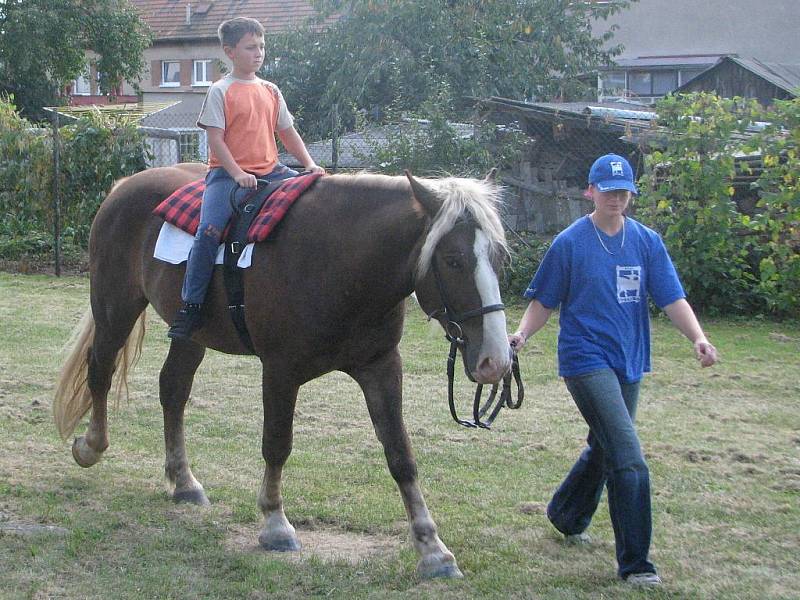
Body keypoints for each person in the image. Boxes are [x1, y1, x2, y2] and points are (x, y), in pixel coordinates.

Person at [508, 154, 718, 587]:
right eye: (608, 190)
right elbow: (545, 300)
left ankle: (566, 514)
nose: (616, 198)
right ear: (591, 191)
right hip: (585, 360)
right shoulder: (569, 243)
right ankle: (637, 565)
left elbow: (670, 297)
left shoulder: (646, 242)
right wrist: (522, 335)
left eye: (623, 192)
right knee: (628, 454)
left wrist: (696, 337)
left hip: (630, 358)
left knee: (605, 446)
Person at [168, 16, 324, 340]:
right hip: (226, 176)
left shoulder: (271, 90)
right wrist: (237, 173)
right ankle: (190, 307)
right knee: (208, 232)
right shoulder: (219, 91)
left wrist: (309, 164)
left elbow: (287, 132)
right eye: (251, 47)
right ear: (230, 51)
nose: (259, 52)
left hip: (273, 171)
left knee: (314, 200)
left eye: (262, 46)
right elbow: (216, 140)